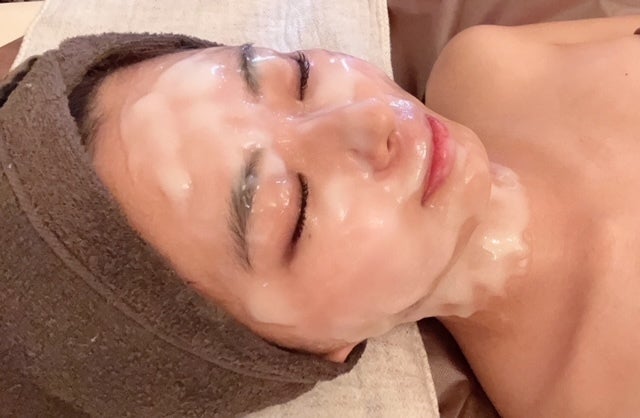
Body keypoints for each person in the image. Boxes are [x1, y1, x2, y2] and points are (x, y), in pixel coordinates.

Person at [2, 15, 640, 417]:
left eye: (295, 77)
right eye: (294, 210)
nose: (372, 119)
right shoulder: (597, 397)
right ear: (307, 355)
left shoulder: (489, 63)